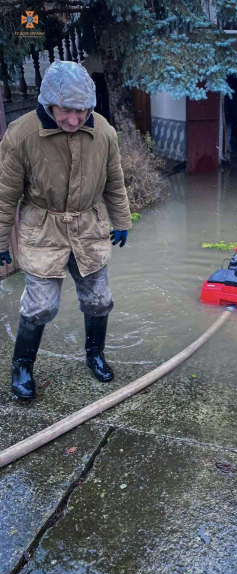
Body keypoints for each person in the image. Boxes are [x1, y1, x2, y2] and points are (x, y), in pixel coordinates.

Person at [0, 60, 132, 400]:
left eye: (83, 111)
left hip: (89, 226)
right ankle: (22, 367)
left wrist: (122, 221)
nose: (75, 120)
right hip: (43, 229)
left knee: (99, 299)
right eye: (66, 111)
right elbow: (6, 194)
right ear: (48, 103)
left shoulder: (102, 131)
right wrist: (1, 240)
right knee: (41, 306)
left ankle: (94, 354)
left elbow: (115, 183)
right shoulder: (22, 134)